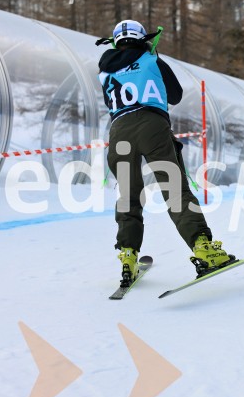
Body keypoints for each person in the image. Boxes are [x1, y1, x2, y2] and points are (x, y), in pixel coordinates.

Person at [98, 20, 232, 287]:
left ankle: (127, 256)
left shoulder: (104, 71)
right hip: (152, 125)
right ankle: (204, 249)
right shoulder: (151, 61)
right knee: (175, 189)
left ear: (115, 42)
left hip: (118, 132)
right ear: (141, 38)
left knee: (128, 196)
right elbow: (176, 95)